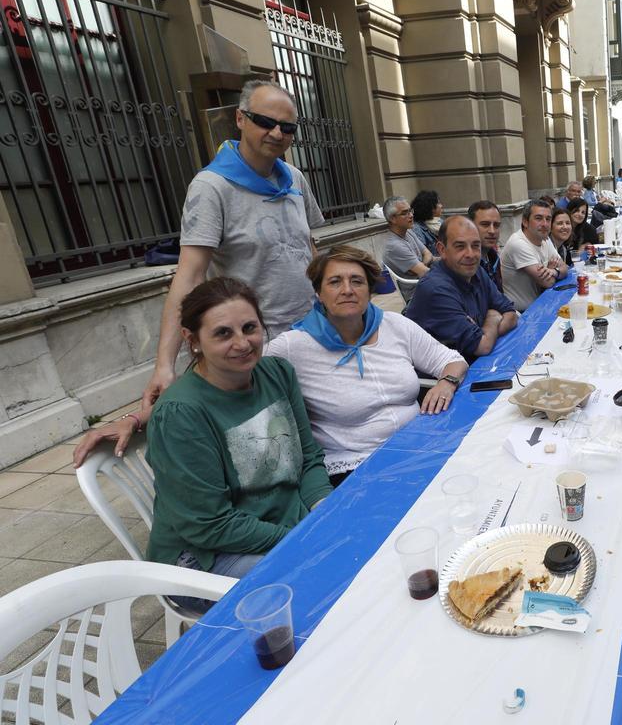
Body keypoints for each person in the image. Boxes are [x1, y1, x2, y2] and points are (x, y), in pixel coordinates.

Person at [141, 80, 323, 416]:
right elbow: (189, 276)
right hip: (256, 344)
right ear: (240, 118)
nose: (276, 133)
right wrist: (164, 365)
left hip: (311, 331)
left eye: (287, 127)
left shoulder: (294, 178)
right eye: (265, 122)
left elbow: (307, 246)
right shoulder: (211, 187)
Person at [145, 277, 333, 602]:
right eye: (223, 333)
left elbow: (309, 458)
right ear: (193, 340)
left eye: (249, 328)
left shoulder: (277, 374)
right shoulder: (181, 414)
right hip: (203, 559)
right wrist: (301, 538)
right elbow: (209, 524)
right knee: (322, 580)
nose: (243, 343)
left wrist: (324, 508)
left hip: (282, 525)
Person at [270, 246, 468, 486]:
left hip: (421, 444)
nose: (347, 290)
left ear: (370, 291)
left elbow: (452, 360)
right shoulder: (293, 346)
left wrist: (446, 383)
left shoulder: (394, 325)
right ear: (319, 293)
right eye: (335, 282)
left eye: (357, 281)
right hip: (357, 470)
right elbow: (243, 370)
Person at [405, 215, 518, 363]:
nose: (470, 254)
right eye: (460, 246)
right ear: (442, 250)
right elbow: (482, 346)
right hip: (445, 373)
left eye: (475, 245)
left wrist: (485, 332)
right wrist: (492, 317)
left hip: (474, 362)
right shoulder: (435, 289)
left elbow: (511, 313)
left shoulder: (476, 271)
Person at [500, 199, 567, 311]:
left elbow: (564, 267)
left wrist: (553, 271)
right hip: (523, 314)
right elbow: (548, 282)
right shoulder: (518, 244)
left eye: (548, 219)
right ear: (525, 222)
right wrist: (553, 271)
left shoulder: (544, 239)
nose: (545, 224)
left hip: (542, 303)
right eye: (538, 218)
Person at [381, 196, 433, 300]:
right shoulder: (394, 246)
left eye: (410, 211)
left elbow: (428, 254)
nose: (411, 215)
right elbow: (425, 272)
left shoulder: (408, 232)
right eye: (405, 213)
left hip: (425, 284)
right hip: (416, 295)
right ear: (392, 219)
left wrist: (421, 264)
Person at [468, 200, 505, 292]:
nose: (492, 231)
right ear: (470, 226)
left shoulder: (494, 258)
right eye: (485, 224)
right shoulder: (465, 264)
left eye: (496, 225)